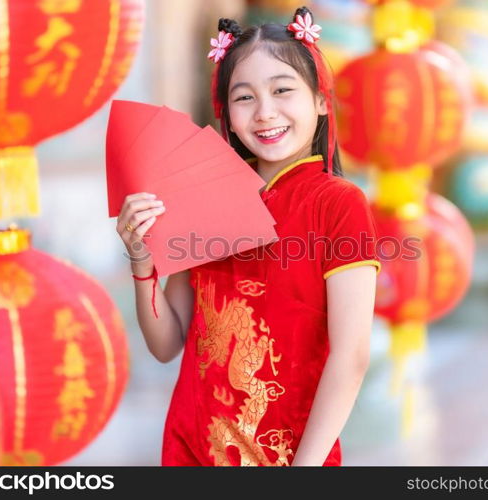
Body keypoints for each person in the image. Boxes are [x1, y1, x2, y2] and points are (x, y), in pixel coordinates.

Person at [116, 6, 380, 466]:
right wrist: (143, 263)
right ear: (227, 114)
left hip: (291, 455)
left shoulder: (338, 204)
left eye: (282, 90)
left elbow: (351, 355)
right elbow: (165, 344)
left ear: (320, 100)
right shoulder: (202, 196)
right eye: (244, 98)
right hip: (192, 448)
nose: (265, 113)